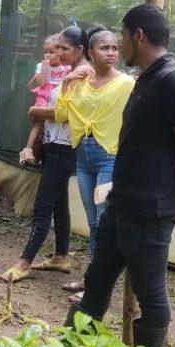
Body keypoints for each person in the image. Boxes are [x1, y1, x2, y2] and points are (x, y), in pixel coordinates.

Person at [65, 5, 175, 347]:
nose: (120, 45)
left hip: (150, 211)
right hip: (121, 202)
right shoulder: (147, 78)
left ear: (138, 36)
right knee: (96, 282)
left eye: (123, 37)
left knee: (151, 297)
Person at [0, 27, 92, 282]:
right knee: (59, 204)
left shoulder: (82, 74)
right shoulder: (69, 72)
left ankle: (24, 262)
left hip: (65, 147)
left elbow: (66, 114)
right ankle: (61, 256)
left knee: (42, 207)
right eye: (57, 48)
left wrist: (36, 111)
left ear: (80, 50)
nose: (59, 53)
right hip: (54, 144)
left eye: (65, 48)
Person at [54, 27, 135, 301]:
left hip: (109, 157)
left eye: (115, 48)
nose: (111, 53)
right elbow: (61, 113)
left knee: (103, 220)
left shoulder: (125, 83)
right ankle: (93, 278)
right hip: (84, 155)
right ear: (90, 52)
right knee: (92, 221)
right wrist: (67, 83)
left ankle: (98, 286)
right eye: (104, 48)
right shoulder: (81, 84)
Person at [19, 35, 66, 166]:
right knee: (39, 123)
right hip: (45, 96)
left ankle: (39, 155)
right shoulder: (41, 66)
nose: (48, 55)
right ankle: (28, 149)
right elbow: (40, 83)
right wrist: (45, 68)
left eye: (52, 52)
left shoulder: (67, 67)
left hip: (59, 99)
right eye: (45, 52)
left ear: (61, 52)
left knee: (51, 126)